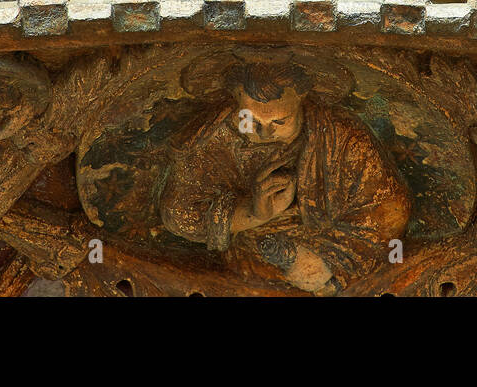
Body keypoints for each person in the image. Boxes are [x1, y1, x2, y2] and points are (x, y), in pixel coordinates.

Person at [159, 53, 411, 294]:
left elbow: (391, 208)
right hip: (249, 266)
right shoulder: (211, 140)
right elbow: (178, 214)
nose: (264, 133)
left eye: (280, 122)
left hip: (328, 258)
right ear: (235, 99)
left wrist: (330, 260)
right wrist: (254, 214)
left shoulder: (340, 135)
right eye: (250, 119)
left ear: (302, 100)